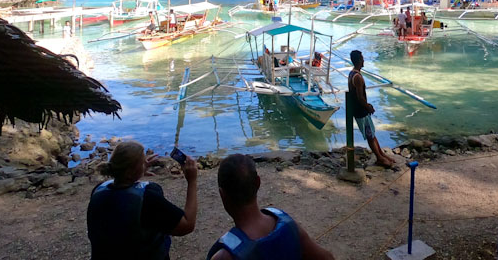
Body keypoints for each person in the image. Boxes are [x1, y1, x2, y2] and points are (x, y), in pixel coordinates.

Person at [206, 154, 334, 260]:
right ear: (258, 183)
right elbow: (327, 258)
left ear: (222, 194)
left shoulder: (225, 256)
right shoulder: (287, 223)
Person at [87, 140, 198, 260]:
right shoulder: (147, 199)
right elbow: (187, 225)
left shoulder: (98, 190)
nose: (146, 162)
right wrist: (192, 181)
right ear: (130, 172)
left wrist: (138, 171)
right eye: (142, 161)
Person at [348, 50, 395, 168]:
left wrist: (367, 106)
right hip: (360, 110)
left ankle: (381, 155)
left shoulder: (352, 73)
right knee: (370, 136)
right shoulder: (357, 77)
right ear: (359, 60)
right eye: (362, 58)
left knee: (372, 134)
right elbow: (360, 97)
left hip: (360, 109)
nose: (364, 60)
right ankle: (379, 158)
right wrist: (368, 107)